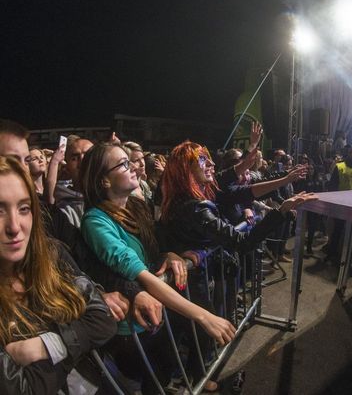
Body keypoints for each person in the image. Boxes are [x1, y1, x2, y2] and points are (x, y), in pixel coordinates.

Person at [79, 143, 236, 392]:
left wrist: (168, 254)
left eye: (130, 161)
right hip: (130, 328)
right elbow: (139, 272)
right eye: (123, 164)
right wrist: (203, 316)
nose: (133, 167)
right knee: (149, 383)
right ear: (104, 181)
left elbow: (152, 250)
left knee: (164, 374)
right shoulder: (95, 221)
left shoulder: (136, 207)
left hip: (156, 314)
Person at [0, 155, 117, 394]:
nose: (14, 226)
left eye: (24, 208)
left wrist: (47, 346)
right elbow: (26, 389)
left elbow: (103, 319)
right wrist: (76, 343)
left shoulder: (51, 254)